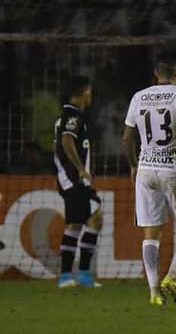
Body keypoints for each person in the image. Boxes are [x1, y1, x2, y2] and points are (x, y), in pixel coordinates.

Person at [122, 51, 176, 305]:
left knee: (151, 234)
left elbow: (127, 138)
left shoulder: (138, 97)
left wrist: (134, 166)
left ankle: (154, 293)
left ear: (155, 74)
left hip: (146, 171)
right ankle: (172, 276)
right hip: (175, 170)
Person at [53, 76, 103, 288]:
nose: (91, 95)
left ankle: (77, 274)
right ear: (85, 92)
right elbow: (66, 140)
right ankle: (71, 275)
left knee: (84, 221)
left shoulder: (72, 115)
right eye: (90, 91)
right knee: (89, 219)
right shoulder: (72, 115)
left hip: (72, 178)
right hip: (73, 179)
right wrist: (82, 170)